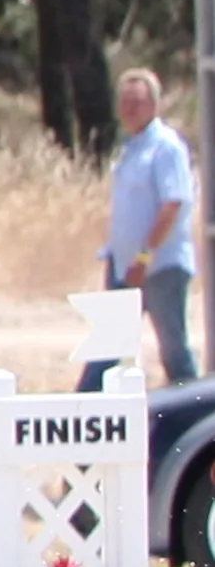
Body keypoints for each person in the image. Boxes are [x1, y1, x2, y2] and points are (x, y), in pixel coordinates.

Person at [108, 65, 196, 383]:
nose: (129, 109)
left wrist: (144, 255)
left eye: (137, 102)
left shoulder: (166, 147)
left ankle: (193, 412)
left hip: (160, 266)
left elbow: (172, 204)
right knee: (110, 346)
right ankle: (93, 414)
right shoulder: (130, 147)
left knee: (173, 349)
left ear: (154, 105)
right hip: (123, 266)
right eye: (124, 101)